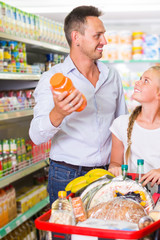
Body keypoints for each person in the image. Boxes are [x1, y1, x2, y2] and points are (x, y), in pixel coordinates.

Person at [29, 6, 128, 205]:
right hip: (67, 175)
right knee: (67, 235)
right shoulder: (53, 79)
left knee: (105, 232)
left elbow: (122, 124)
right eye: (98, 35)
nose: (104, 41)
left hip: (108, 173)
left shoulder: (111, 76)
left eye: (104, 35)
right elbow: (36, 136)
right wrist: (58, 113)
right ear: (76, 37)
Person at [108, 66, 160, 193]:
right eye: (140, 79)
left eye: (146, 81)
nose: (138, 82)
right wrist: (114, 168)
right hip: (134, 199)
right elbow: (114, 163)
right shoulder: (121, 124)